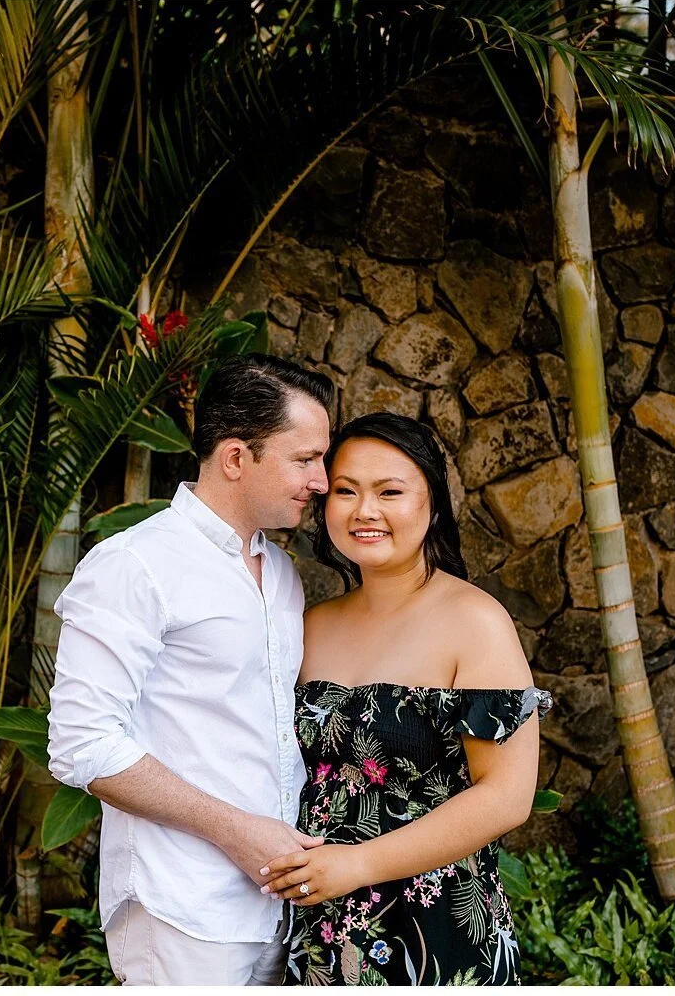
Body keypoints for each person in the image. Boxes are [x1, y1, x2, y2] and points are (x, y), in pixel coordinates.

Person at [47, 353, 336, 986]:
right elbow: (82, 745)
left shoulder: (281, 574)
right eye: (304, 459)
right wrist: (237, 834)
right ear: (236, 458)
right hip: (182, 903)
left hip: (277, 905)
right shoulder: (134, 565)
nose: (321, 481)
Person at [262, 412, 552, 986]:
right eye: (345, 491)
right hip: (318, 922)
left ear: (433, 505)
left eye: (389, 492)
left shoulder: (476, 621)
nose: (364, 511)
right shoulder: (307, 625)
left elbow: (507, 797)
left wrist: (360, 864)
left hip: (437, 923)